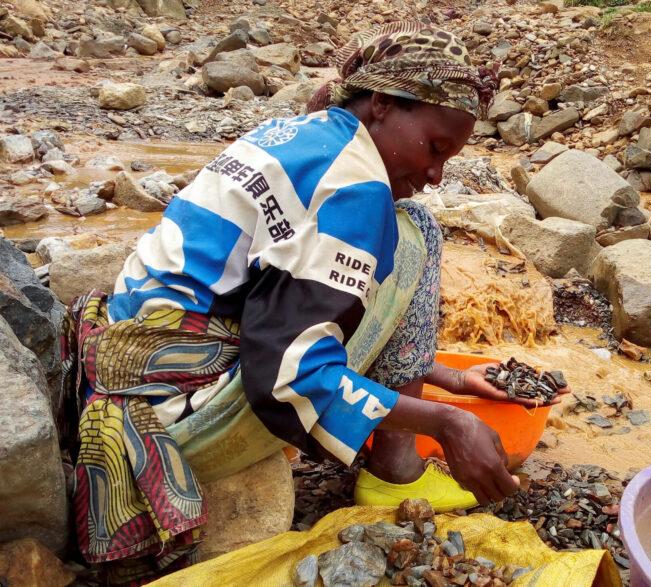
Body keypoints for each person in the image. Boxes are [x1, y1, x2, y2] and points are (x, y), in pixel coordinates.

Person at [60, 22, 564, 581]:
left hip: (117, 372)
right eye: (435, 148)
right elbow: (283, 376)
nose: (434, 174)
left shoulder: (302, 133)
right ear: (380, 104)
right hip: (168, 417)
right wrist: (448, 425)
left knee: (407, 221)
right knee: (416, 228)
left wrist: (452, 379)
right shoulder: (356, 189)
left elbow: (271, 304)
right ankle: (397, 464)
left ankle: (391, 448)